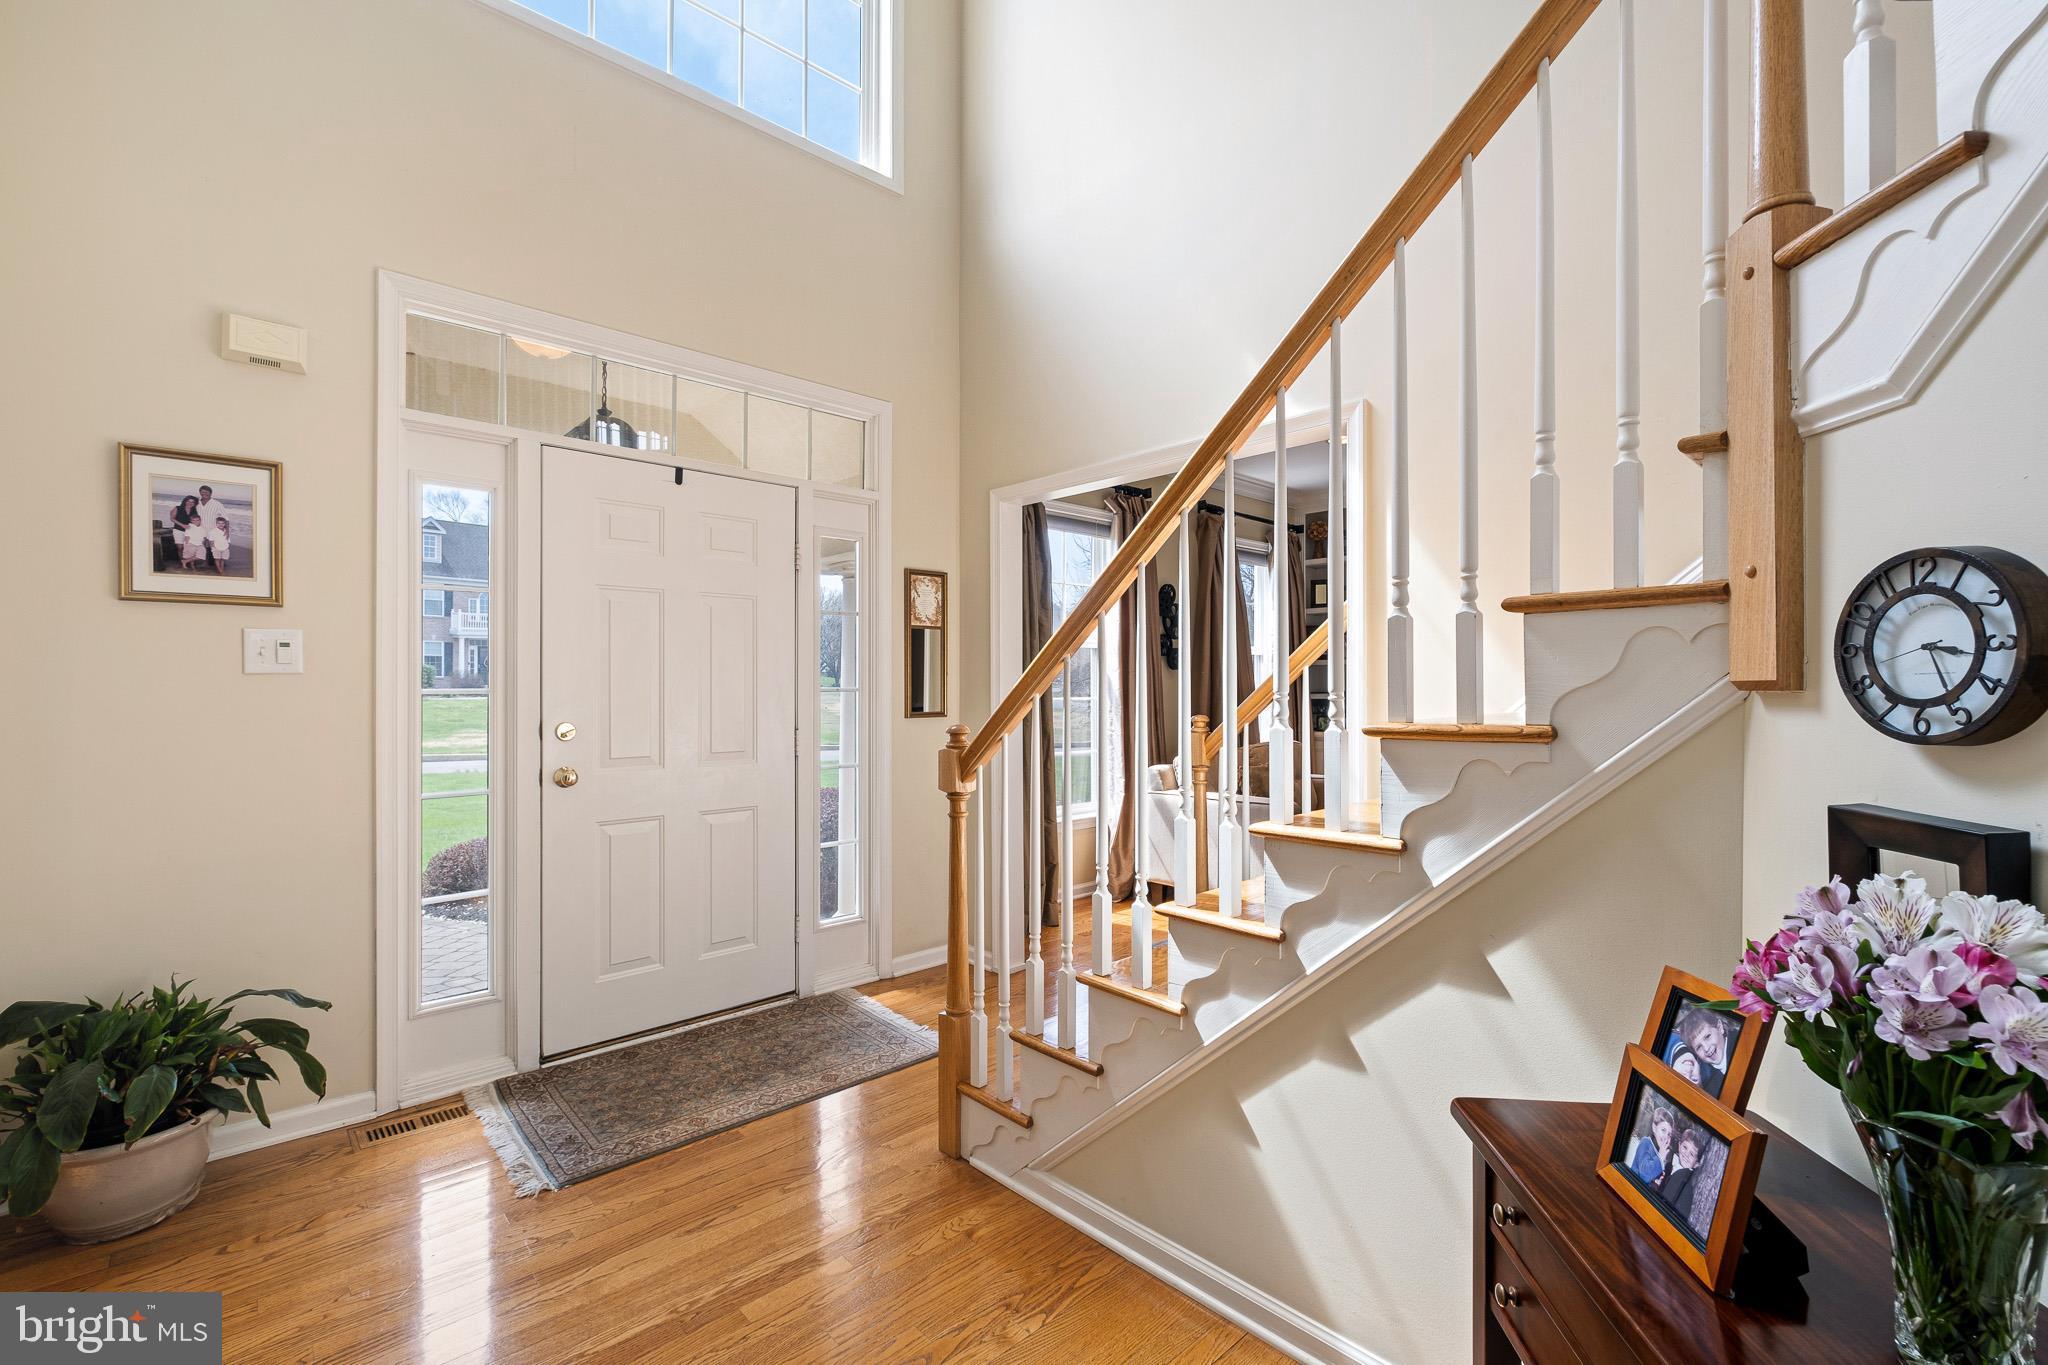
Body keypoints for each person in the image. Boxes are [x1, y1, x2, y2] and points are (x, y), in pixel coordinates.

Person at [1660, 1129, 1706, 1227]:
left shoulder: (1685, 1180)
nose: (1686, 1154)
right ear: (1679, 1146)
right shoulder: (1669, 1165)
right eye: (1685, 1147)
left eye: (1692, 1154)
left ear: (1696, 1164)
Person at [1626, 1106, 1675, 1187]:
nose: (1666, 1137)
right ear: (1654, 1127)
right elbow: (1644, 1175)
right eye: (1663, 1130)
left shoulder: (1660, 1150)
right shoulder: (1646, 1143)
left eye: (1669, 1134)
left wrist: (1659, 1180)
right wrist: (1661, 1156)